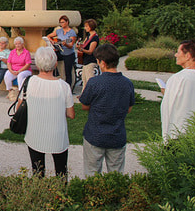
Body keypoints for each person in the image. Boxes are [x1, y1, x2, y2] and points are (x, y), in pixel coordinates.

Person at [79, 44, 135, 176]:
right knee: (116, 175)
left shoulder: (95, 82)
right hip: (117, 135)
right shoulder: (127, 83)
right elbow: (129, 108)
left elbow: (84, 105)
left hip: (95, 134)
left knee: (92, 173)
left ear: (102, 63)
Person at [21, 47, 75, 178]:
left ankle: (40, 195)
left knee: (37, 171)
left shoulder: (29, 82)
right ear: (55, 64)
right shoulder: (64, 86)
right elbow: (71, 114)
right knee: (61, 171)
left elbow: (19, 108)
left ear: (37, 64)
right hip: (57, 135)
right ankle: (61, 195)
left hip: (35, 134)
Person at [160, 40, 195, 140]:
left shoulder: (178, 78)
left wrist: (166, 94)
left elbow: (169, 106)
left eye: (178, 52)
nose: (175, 55)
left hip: (179, 133)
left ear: (188, 56)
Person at [47, 15, 77, 87]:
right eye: (60, 22)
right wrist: (52, 41)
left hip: (68, 53)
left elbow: (71, 45)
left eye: (63, 22)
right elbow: (48, 36)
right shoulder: (59, 31)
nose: (61, 24)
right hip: (60, 51)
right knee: (52, 57)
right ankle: (55, 73)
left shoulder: (71, 32)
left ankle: (68, 87)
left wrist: (65, 44)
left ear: (67, 22)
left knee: (67, 71)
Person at [77, 19, 99, 90]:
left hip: (91, 60)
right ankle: (84, 94)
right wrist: (79, 46)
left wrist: (81, 49)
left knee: (90, 78)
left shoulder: (94, 37)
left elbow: (90, 51)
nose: (85, 28)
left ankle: (92, 94)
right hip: (85, 60)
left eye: (86, 26)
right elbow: (84, 45)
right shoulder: (88, 36)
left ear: (90, 27)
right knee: (84, 79)